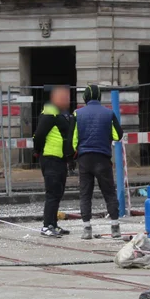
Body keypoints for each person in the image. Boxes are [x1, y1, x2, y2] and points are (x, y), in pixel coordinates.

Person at [73, 84, 123, 240]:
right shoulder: (109, 113)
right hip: (102, 158)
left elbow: (73, 139)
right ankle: (115, 227)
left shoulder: (77, 113)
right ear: (99, 97)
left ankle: (86, 228)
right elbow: (117, 135)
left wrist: (76, 153)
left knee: (85, 193)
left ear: (85, 97)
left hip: (85, 159)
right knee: (109, 192)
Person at [33, 86, 74, 238]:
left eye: (67, 97)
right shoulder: (50, 112)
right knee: (52, 193)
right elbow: (39, 135)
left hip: (60, 158)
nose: (66, 100)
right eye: (63, 97)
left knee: (58, 192)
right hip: (50, 158)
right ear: (54, 98)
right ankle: (46, 226)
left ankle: (53, 224)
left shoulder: (61, 113)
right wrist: (38, 152)